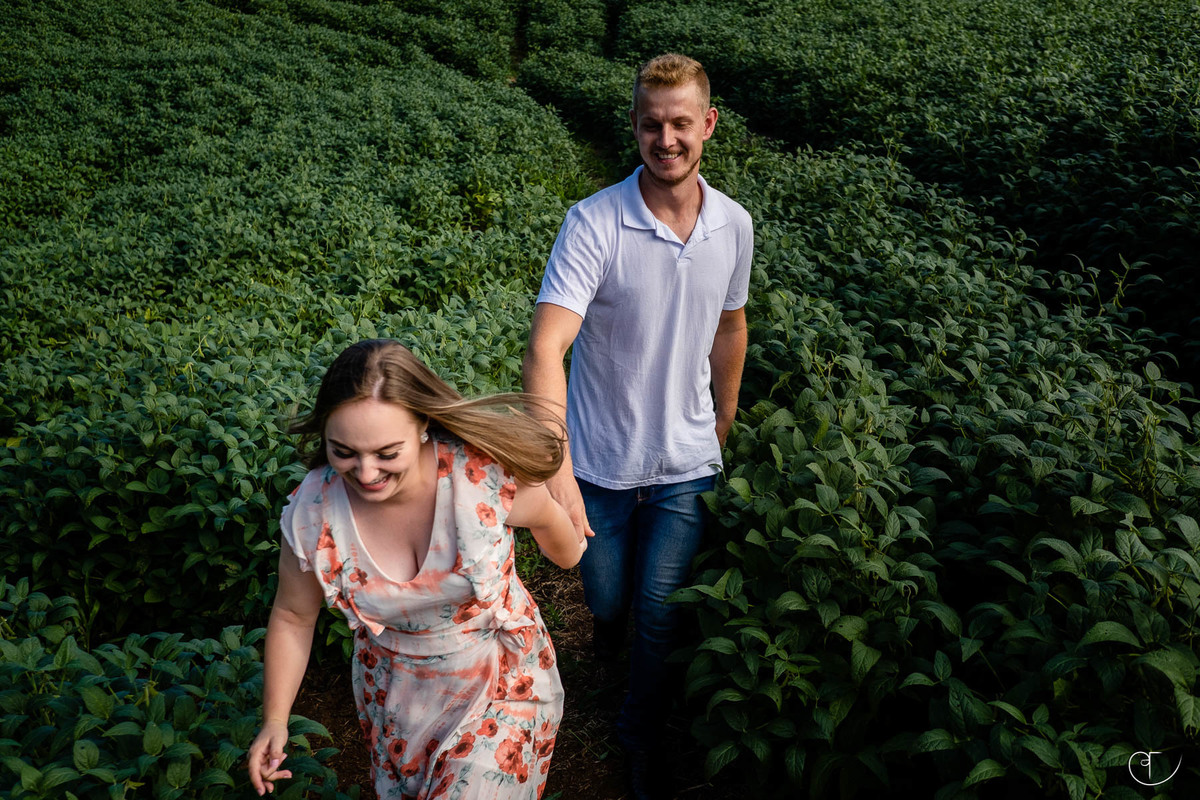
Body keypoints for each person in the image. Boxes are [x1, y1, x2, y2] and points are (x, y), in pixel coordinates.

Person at [523, 53, 752, 798]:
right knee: (611, 599)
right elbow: (547, 345)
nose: (667, 139)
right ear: (633, 126)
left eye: (681, 123)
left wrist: (725, 411)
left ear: (708, 124)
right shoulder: (593, 223)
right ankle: (604, 631)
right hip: (597, 464)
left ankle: (638, 738)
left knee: (660, 615)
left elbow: (731, 322)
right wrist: (554, 458)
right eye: (651, 124)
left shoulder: (733, 225)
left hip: (687, 459)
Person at [247, 339, 585, 799]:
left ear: (424, 424)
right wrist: (274, 720)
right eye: (343, 451)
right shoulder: (313, 512)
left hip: (501, 679)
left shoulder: (478, 479)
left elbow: (548, 518)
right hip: (398, 696)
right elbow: (293, 616)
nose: (365, 472)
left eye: (387, 453)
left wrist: (570, 551)